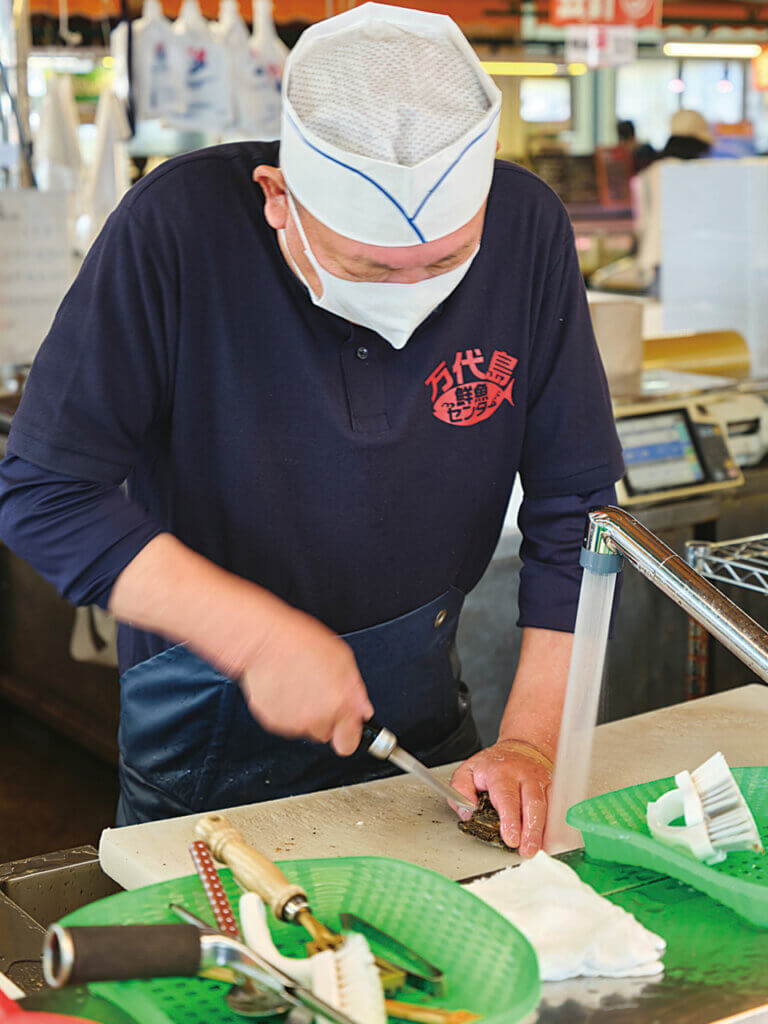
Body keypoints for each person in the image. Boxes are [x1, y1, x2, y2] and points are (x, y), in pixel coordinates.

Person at [0, 3, 623, 850]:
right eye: (369, 267)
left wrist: (532, 743)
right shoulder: (174, 228)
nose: (411, 297)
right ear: (278, 199)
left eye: (446, 263)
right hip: (200, 732)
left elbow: (577, 511)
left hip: (425, 728)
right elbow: (46, 493)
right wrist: (253, 638)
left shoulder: (528, 228)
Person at [634, 108, 712, 286]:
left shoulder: (652, 171)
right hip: (691, 259)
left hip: (657, 256)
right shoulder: (699, 172)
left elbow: (642, 220)